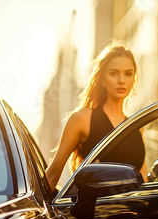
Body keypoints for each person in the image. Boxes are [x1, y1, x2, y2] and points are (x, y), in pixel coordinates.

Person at [46, 42, 146, 192]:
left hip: (133, 213)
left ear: (134, 79)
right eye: (113, 73)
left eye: (128, 74)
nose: (121, 80)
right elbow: (53, 174)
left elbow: (143, 180)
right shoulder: (82, 119)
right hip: (97, 212)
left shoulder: (137, 125)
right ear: (102, 79)